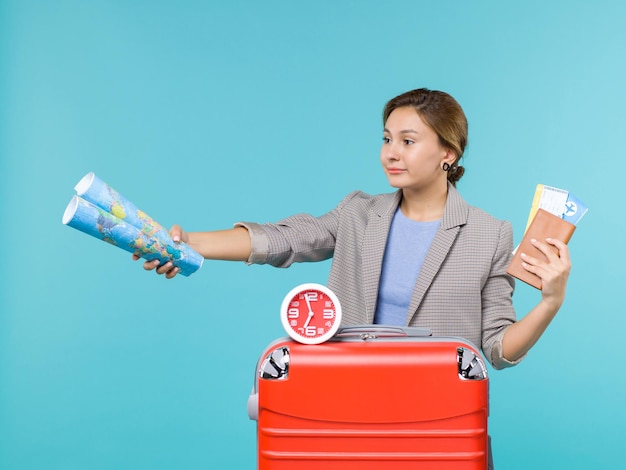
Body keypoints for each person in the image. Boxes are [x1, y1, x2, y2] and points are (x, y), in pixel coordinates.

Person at [134, 88, 571, 371]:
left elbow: (498, 349)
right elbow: (282, 239)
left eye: (408, 140)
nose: (390, 153)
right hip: (349, 398)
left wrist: (551, 301)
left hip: (438, 414)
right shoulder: (358, 213)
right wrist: (190, 244)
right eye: (386, 139)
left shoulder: (489, 234)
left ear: (448, 154)